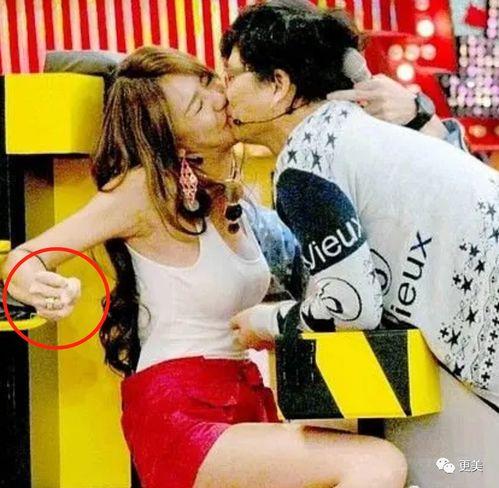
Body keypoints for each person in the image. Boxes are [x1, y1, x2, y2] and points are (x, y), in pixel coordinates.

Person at [2, 46, 409, 488]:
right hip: (180, 410)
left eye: (210, 81)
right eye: (198, 105)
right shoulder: (144, 191)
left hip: (244, 394)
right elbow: (25, 258)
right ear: (176, 143)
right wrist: (36, 283)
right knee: (375, 463)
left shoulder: (235, 196)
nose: (219, 98)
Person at [222, 4, 499, 411]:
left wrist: (264, 322)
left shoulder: (305, 160)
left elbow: (351, 307)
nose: (223, 94)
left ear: (278, 84)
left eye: (231, 76)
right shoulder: (357, 129)